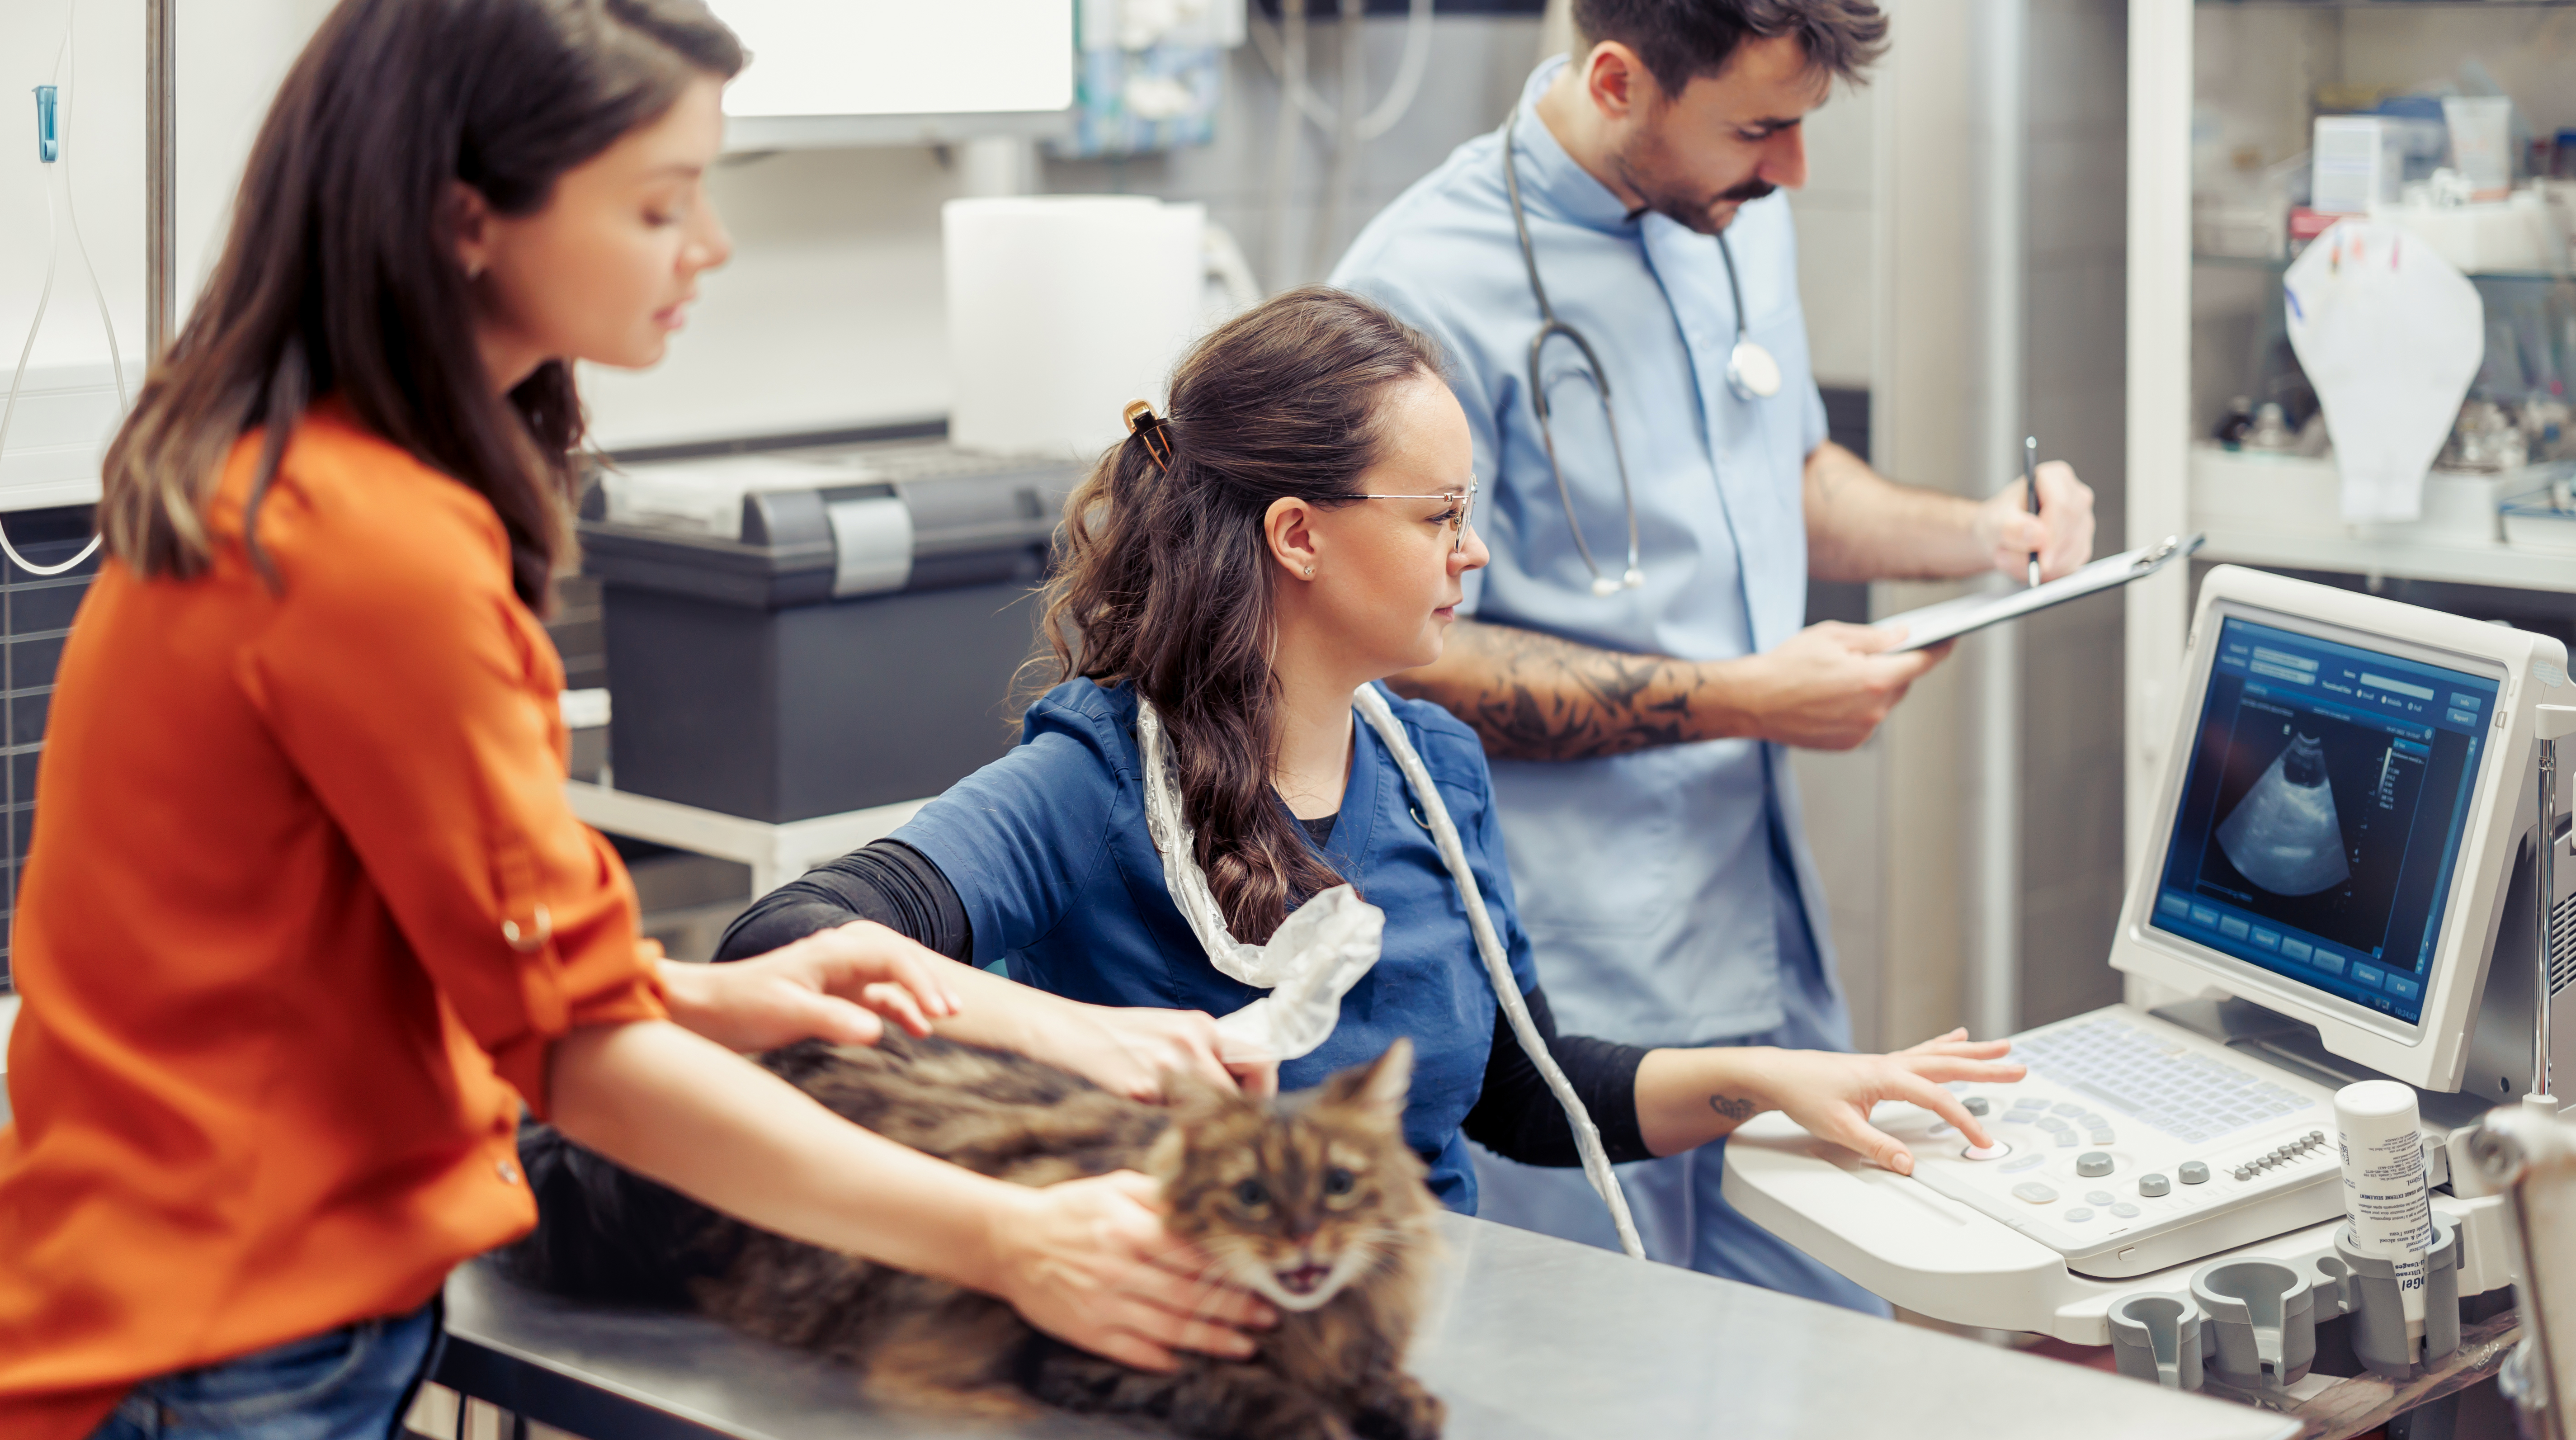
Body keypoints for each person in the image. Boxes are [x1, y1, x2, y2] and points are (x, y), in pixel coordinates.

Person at [0, 0, 1277, 1440]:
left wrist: (696, 994)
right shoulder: (372, 548)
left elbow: (380, 956)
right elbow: (576, 1063)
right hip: (188, 1377)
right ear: (466, 218)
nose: (709, 246)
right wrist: (1006, 1237)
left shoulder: (283, 479)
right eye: (657, 201)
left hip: (167, 1333)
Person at [688, 288, 2019, 1225]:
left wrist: (1765, 1081)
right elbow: (777, 947)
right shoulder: (1091, 783)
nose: (1474, 553)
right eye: (1440, 515)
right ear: (1299, 535)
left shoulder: (1435, 767)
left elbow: (1518, 1095)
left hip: (1421, 1330)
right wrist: (1087, 1038)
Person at [1324, 0, 2097, 1305]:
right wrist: (1745, 699)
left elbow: (1787, 479)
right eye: (1759, 131)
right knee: (1596, 1405)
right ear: (1620, 78)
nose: (1793, 172)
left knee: (1825, 1353)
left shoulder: (1732, 212)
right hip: (1563, 974)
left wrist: (1984, 536)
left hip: (1760, 936)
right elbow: (1399, 665)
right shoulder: (1415, 292)